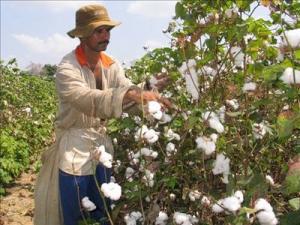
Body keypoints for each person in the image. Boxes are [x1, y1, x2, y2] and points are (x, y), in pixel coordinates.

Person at [34, 4, 171, 225]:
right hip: (74, 149)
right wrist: (132, 94)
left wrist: (150, 90)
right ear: (83, 34)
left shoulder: (111, 65)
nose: (105, 35)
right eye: (99, 30)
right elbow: (87, 99)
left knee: (103, 211)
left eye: (107, 30)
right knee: (76, 212)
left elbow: (126, 96)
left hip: (102, 147)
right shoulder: (67, 68)